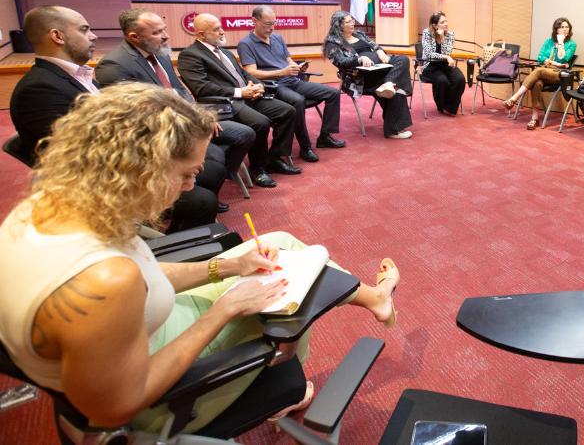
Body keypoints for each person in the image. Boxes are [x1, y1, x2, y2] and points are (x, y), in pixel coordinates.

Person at [0, 84, 400, 434]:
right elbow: (115, 408)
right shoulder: (103, 282)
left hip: (137, 330)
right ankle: (286, 384)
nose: (191, 186)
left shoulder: (53, 205)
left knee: (278, 245)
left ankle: (374, 299)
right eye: (186, 174)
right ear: (140, 170)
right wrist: (224, 310)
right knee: (297, 289)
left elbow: (143, 274)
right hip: (158, 401)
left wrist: (228, 266)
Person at [10, 6, 225, 230]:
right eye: (84, 30)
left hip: (121, 161)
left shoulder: (76, 76)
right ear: (57, 36)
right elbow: (79, 154)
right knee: (202, 200)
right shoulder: (38, 89)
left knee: (210, 170)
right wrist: (163, 157)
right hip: (98, 184)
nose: (93, 36)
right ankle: (169, 245)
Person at [95, 9, 256, 200]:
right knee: (212, 160)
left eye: (163, 29)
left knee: (243, 135)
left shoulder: (161, 55)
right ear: (134, 37)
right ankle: (191, 190)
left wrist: (200, 114)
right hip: (161, 132)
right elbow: (138, 115)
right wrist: (192, 123)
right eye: (157, 32)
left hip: (189, 120)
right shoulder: (114, 65)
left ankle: (208, 182)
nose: (166, 36)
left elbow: (179, 91)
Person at [177, 13, 300, 187]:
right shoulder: (190, 55)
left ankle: (274, 158)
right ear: (201, 35)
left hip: (248, 95)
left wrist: (258, 85)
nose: (222, 31)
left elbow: (244, 73)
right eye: (216, 29)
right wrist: (240, 92)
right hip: (226, 102)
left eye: (221, 27)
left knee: (287, 111)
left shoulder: (225, 51)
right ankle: (258, 168)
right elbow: (202, 88)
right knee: (261, 122)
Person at [237, 5, 347, 162]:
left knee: (333, 93)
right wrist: (281, 72)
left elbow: (287, 60)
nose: (272, 28)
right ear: (254, 21)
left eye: (274, 23)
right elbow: (251, 72)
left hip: (292, 80)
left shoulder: (278, 38)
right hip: (274, 85)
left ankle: (325, 136)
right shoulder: (246, 44)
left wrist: (296, 67)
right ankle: (305, 147)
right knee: (298, 101)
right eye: (268, 24)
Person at [323, 10, 414, 139]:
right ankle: (393, 130)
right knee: (396, 91)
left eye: (352, 20)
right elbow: (340, 62)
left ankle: (388, 83)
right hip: (361, 78)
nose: (353, 23)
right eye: (349, 21)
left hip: (380, 69)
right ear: (339, 25)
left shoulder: (359, 34)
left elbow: (374, 45)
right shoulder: (333, 43)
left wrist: (380, 51)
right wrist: (359, 59)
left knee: (403, 59)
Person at [502, 17, 577, 130]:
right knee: (537, 83)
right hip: (545, 71)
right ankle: (534, 118)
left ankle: (514, 98)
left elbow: (564, 58)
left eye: (567, 27)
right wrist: (555, 63)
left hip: (559, 74)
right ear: (556, 29)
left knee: (538, 70)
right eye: (562, 27)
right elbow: (540, 57)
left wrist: (561, 43)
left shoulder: (572, 44)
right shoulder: (549, 42)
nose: (564, 29)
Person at [420, 11, 466, 115]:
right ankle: (441, 106)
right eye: (442, 22)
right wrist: (446, 57)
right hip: (430, 65)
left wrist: (442, 39)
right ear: (434, 25)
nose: (446, 24)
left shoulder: (450, 34)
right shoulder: (427, 33)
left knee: (460, 79)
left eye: (446, 21)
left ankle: (449, 107)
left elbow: (447, 52)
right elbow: (429, 54)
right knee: (442, 80)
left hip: (445, 64)